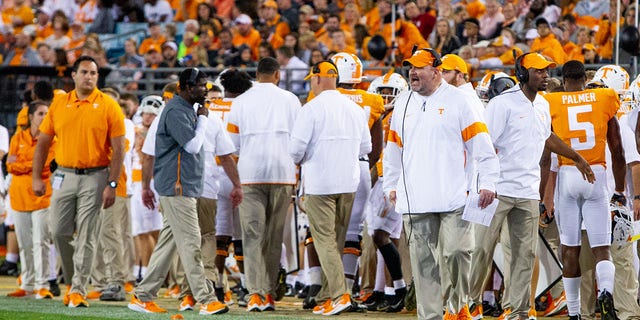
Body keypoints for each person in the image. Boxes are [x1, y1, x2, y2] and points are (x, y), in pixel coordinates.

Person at [471, 54, 594, 320]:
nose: (545, 76)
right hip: (497, 189)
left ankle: (517, 311)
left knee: (524, 255)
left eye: (546, 71)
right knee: (480, 249)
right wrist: (482, 184)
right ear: (522, 73)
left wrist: (576, 157)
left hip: (526, 191)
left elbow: (547, 136)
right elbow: (483, 145)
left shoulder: (543, 104)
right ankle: (468, 305)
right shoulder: (501, 104)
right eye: (539, 71)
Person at [383, 49, 499, 319]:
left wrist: (489, 182)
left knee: (458, 252)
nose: (412, 72)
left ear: (436, 71)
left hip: (454, 195)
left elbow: (482, 146)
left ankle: (458, 307)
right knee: (423, 265)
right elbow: (393, 149)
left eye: (419, 67)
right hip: (415, 197)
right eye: (410, 67)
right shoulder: (403, 103)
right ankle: (431, 316)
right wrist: (391, 183)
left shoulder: (460, 101)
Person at [128, 68, 237, 315]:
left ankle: (143, 296)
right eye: (200, 85)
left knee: (169, 243)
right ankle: (206, 298)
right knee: (191, 243)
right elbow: (192, 145)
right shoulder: (177, 110)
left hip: (182, 186)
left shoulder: (185, 109)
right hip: (178, 187)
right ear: (187, 87)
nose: (205, 89)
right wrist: (203, 119)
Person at [32, 55, 126, 308]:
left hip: (96, 176)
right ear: (73, 75)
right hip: (63, 174)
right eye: (84, 72)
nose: (89, 77)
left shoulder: (108, 105)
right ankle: (76, 281)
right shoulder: (60, 104)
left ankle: (78, 289)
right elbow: (42, 142)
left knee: (87, 234)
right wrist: (36, 176)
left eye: (93, 73)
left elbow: (119, 150)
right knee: (58, 231)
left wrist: (112, 184)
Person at [543, 60, 625, 320]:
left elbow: (547, 156)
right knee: (602, 248)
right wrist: (620, 189)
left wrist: (543, 194)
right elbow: (618, 150)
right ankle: (606, 293)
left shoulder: (551, 102)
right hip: (596, 175)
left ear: (565, 81)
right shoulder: (603, 97)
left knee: (571, 249)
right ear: (584, 80)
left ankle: (575, 313)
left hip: (568, 174)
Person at [289, 60, 372, 316]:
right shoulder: (355, 109)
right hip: (349, 182)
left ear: (317, 79)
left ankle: (339, 294)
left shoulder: (311, 109)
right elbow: (366, 149)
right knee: (335, 242)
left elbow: (294, 151)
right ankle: (327, 293)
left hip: (320, 183)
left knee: (324, 241)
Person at [225, 57, 300, 311]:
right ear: (277, 75)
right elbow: (299, 141)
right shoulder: (291, 100)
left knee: (252, 235)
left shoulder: (241, 101)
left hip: (250, 175)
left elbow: (232, 145)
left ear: (257, 75)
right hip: (283, 174)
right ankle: (268, 293)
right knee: (274, 236)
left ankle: (255, 293)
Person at [6, 101, 56, 299]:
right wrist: (32, 163)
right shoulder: (17, 137)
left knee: (41, 242)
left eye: (47, 113)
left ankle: (42, 284)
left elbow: (47, 165)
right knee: (25, 243)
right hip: (19, 197)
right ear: (31, 117)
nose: (44, 117)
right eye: (40, 113)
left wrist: (23, 164)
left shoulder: (52, 140)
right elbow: (10, 165)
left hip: (42, 196)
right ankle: (27, 284)